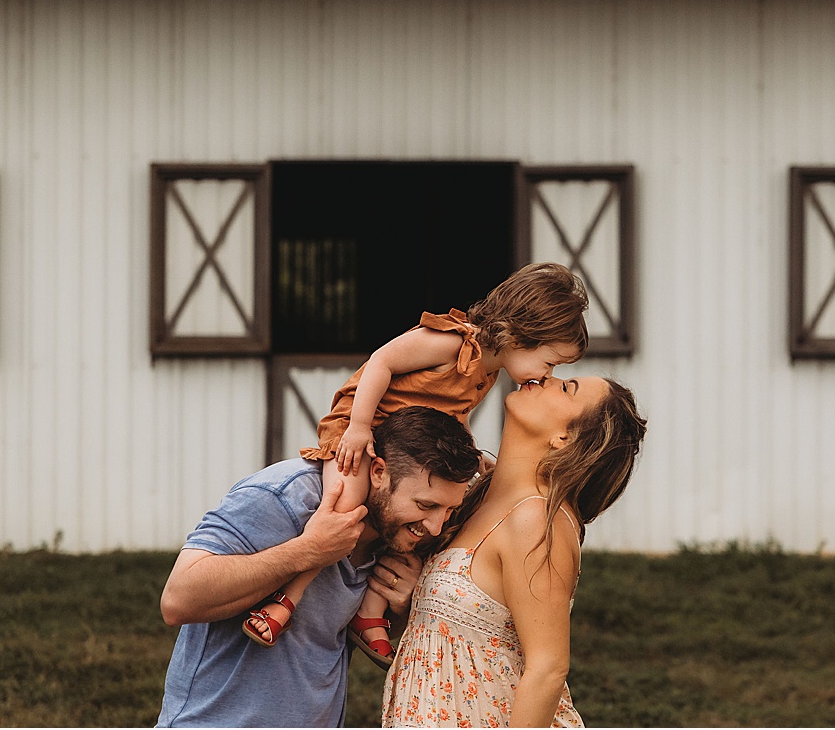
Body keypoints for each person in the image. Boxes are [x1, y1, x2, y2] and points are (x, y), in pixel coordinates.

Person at [242, 262, 589, 669]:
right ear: (519, 334)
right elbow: (381, 362)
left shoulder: (487, 374)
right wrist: (356, 426)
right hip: (365, 428)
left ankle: (369, 613)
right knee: (349, 507)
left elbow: (451, 414)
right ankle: (286, 599)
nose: (544, 377)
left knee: (423, 528)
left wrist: (471, 455)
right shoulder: (451, 342)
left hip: (408, 447)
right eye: (549, 364)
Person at [156, 406, 479, 728]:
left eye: (449, 509)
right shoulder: (285, 495)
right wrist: (308, 551)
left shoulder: (391, 534)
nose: (436, 527)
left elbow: (330, 631)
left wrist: (400, 608)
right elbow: (179, 601)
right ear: (379, 472)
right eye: (426, 505)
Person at [383, 373, 647, 727]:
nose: (547, 377)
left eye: (567, 388)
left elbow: (548, 669)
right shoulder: (476, 496)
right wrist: (414, 601)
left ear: (564, 438)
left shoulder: (536, 518)